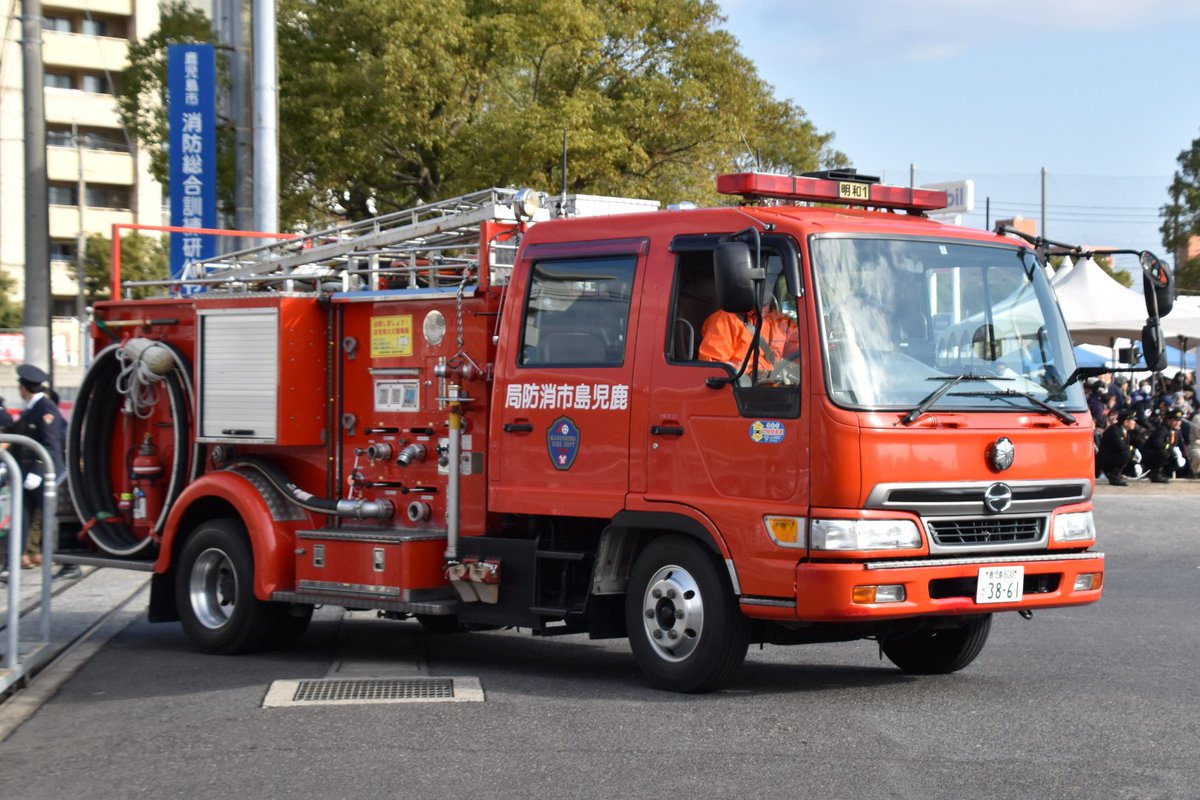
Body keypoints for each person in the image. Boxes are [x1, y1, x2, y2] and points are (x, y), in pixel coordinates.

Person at [0, 364, 79, 581]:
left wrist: (37, 470)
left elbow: (50, 444)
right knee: (21, 519)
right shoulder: (31, 408)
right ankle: (8, 565)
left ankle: (70, 564)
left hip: (44, 477)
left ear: (24, 387)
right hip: (28, 476)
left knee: (51, 521)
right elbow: (22, 443)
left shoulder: (45, 408)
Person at [699, 301, 799, 380]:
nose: (767, 293)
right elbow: (713, 369)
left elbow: (804, 350)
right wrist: (750, 372)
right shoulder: (726, 319)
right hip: (742, 392)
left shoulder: (780, 321)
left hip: (772, 386)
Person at [1144, 408, 1186, 484]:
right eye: (1175, 420)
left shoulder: (1176, 431)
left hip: (1165, 453)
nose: (1178, 423)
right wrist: (1171, 450)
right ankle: (1155, 474)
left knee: (1177, 458)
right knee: (1163, 453)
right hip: (1151, 456)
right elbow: (1157, 444)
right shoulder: (1162, 429)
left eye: (1179, 420)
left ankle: (1164, 473)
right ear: (1168, 420)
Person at [1098, 409, 1138, 486]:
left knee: (1131, 458)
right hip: (1106, 459)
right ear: (1126, 422)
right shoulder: (1114, 430)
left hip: (1113, 456)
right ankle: (1114, 476)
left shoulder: (1125, 431)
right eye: (1132, 420)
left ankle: (1119, 474)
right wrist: (1132, 450)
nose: (1135, 423)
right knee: (1125, 453)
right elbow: (1121, 446)